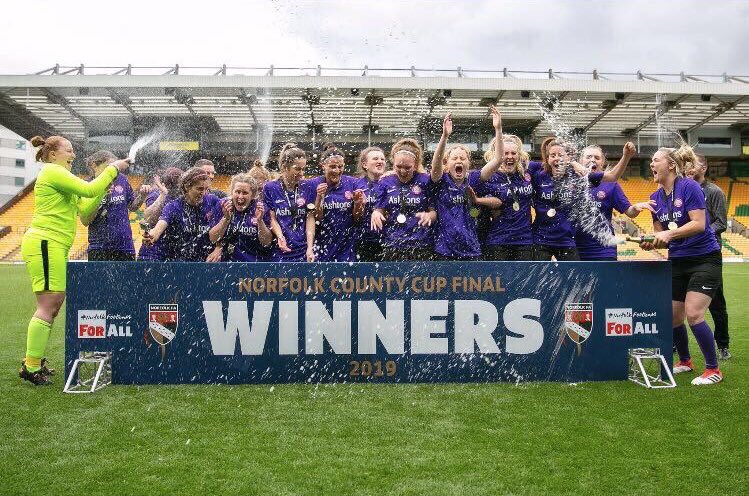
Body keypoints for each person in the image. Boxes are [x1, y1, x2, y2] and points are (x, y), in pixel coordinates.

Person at [19, 135, 130, 385]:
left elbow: (85, 208)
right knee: (49, 304)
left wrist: (103, 188)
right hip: (46, 242)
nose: (74, 155)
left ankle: (34, 362)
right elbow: (89, 189)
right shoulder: (52, 172)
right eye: (69, 150)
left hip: (54, 245)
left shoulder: (63, 178)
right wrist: (112, 169)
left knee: (54, 304)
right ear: (52, 154)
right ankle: (31, 367)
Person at [640, 144, 723, 385]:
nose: (652, 165)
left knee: (694, 314)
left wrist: (668, 236)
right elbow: (662, 238)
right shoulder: (654, 199)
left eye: (656, 160)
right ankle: (685, 361)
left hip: (704, 259)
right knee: (674, 318)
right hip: (677, 260)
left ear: (671, 165)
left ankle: (713, 369)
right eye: (651, 161)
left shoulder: (690, 187)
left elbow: (699, 224)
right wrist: (652, 243)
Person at [530, 139, 631, 261]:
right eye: (552, 155)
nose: (557, 158)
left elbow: (612, 176)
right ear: (547, 158)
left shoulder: (578, 175)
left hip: (566, 241)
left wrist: (626, 156)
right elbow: (517, 161)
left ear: (568, 158)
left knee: (573, 277)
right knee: (538, 277)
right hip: (540, 239)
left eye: (561, 155)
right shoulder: (538, 174)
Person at [430, 110, 503, 260]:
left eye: (463, 158)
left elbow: (498, 160)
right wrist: (444, 136)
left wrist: (498, 129)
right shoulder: (440, 180)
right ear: (446, 163)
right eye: (454, 158)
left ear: (468, 163)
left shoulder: (474, 179)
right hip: (444, 250)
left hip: (472, 250)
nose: (459, 161)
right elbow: (435, 165)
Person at [686, 154, 730, 359]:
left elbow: (721, 222)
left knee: (717, 302)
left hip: (708, 253)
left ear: (703, 168)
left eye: (692, 165)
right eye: (685, 166)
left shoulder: (715, 192)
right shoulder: (682, 189)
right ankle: (678, 345)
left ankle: (723, 345)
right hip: (684, 253)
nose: (688, 169)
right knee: (677, 299)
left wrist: (699, 232)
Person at [575, 144, 652, 261]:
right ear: (580, 161)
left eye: (597, 157)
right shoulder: (570, 183)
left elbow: (630, 213)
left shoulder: (611, 185)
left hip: (604, 251)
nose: (592, 160)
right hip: (574, 249)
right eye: (588, 156)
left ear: (602, 162)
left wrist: (636, 207)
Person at [371, 139, 437, 261]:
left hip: (421, 243)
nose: (402, 171)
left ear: (416, 164)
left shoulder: (425, 181)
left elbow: (434, 212)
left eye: (407, 167)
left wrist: (429, 216)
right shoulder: (385, 181)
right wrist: (375, 214)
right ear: (393, 162)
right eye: (398, 166)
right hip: (393, 243)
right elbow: (379, 209)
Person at [477, 121, 535, 261]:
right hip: (498, 240)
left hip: (525, 241)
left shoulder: (528, 172)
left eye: (513, 153)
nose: (509, 156)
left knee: (524, 282)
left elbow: (550, 164)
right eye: (504, 153)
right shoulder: (489, 177)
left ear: (519, 155)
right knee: (500, 282)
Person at [83, 150, 151, 261]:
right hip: (99, 247)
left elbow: (132, 207)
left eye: (116, 167)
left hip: (124, 246)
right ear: (94, 165)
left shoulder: (122, 179)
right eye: (109, 166)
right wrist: (101, 196)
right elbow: (86, 220)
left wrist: (142, 196)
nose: (113, 170)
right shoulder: (87, 187)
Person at [143, 167, 221, 261]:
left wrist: (218, 248)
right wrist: (151, 236)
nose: (204, 193)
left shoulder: (213, 201)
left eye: (206, 189)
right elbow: (158, 228)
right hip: (180, 264)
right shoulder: (173, 206)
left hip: (206, 263)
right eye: (200, 189)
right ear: (187, 187)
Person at [304, 145, 364, 262]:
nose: (336, 170)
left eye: (340, 166)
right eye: (332, 166)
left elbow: (357, 218)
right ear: (323, 166)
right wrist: (319, 197)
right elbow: (316, 217)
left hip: (346, 244)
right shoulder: (313, 184)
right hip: (322, 243)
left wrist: (358, 203)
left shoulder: (352, 183)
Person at [208, 173, 272, 262]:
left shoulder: (260, 208)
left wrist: (260, 221)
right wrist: (226, 219)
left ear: (253, 195)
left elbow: (266, 243)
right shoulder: (223, 205)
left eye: (245, 193)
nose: (240, 197)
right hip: (228, 264)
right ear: (232, 192)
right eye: (237, 192)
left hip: (255, 263)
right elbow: (213, 238)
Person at [264, 143, 309, 261]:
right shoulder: (270, 188)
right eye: (297, 169)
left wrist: (309, 246)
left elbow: (310, 217)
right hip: (280, 250)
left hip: (303, 250)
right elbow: (272, 218)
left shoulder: (306, 186)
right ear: (285, 168)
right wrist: (280, 236)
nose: (301, 173)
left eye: (303, 169)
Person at [138, 167, 182, 261]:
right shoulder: (156, 194)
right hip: (153, 252)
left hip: (172, 253)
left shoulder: (183, 198)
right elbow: (148, 220)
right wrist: (163, 195)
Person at [354, 146, 387, 261]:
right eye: (375, 159)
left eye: (382, 159)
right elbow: (355, 218)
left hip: (388, 240)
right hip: (363, 241)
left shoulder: (392, 182)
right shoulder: (356, 184)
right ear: (364, 165)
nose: (380, 162)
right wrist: (359, 205)